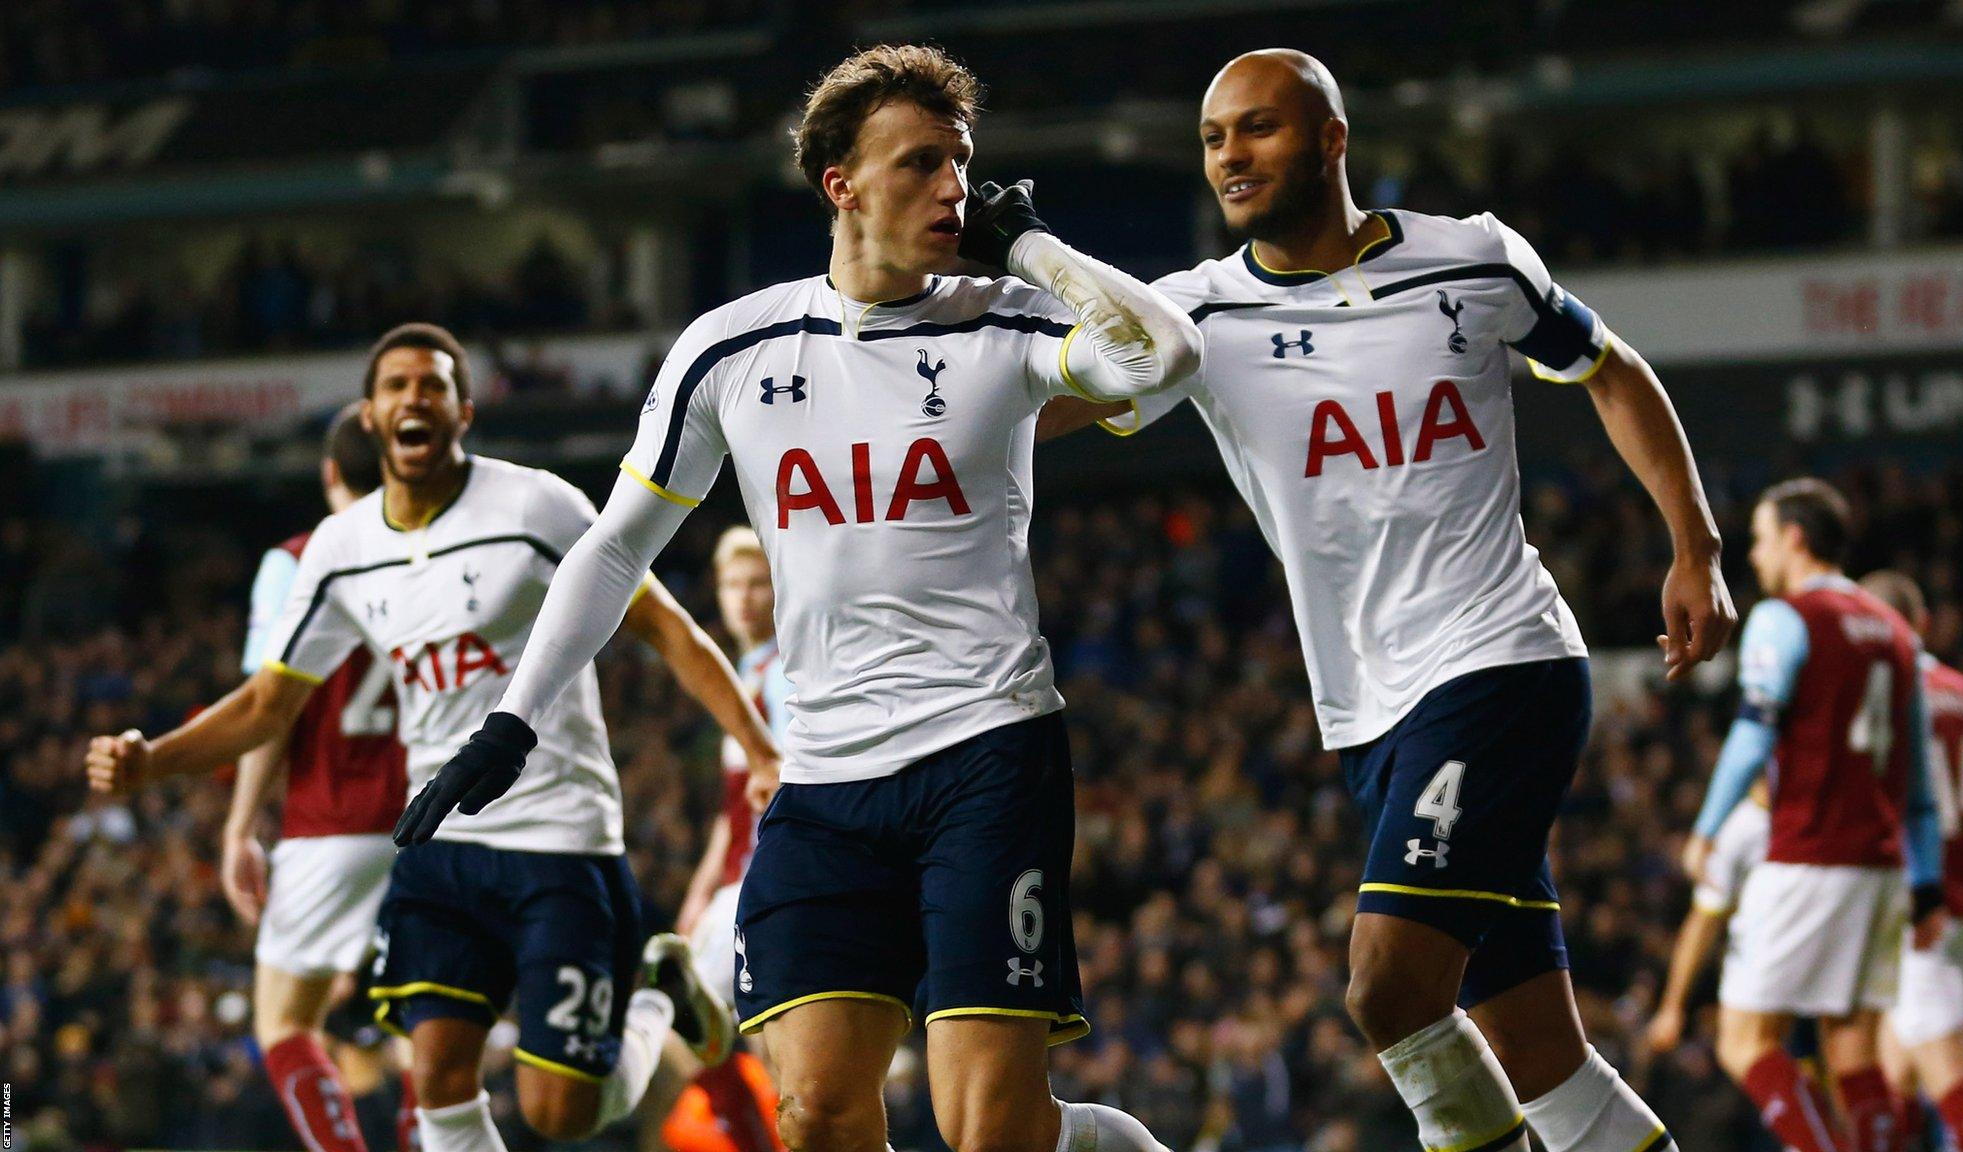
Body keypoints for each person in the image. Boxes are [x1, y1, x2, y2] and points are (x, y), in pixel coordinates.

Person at [389, 43, 1200, 1152]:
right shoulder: (730, 348)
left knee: (987, 1129)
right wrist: (512, 717)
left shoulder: (1004, 320)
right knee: (813, 1112)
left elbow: (1165, 357)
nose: (951, 188)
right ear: (841, 185)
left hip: (985, 754)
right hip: (821, 781)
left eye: (959, 162)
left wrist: (1038, 246)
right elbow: (618, 547)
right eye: (918, 163)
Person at [1041, 48, 1733, 1152]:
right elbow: (1029, 420)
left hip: (1500, 661)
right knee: (1542, 1057)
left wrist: (1691, 546)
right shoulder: (1193, 318)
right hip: (1367, 711)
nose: (1230, 157)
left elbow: (1608, 367)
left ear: (1329, 139)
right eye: (1214, 138)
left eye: (1257, 129)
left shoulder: (1470, 259)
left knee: (1387, 990)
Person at [86, 322, 782, 1152]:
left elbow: (663, 627)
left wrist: (761, 746)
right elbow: (267, 705)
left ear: (464, 413)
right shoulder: (340, 551)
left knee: (560, 1113)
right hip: (439, 841)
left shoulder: (536, 505)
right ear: (372, 417)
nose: (415, 397)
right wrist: (151, 761)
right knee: (441, 1082)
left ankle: (660, 1001)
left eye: (434, 385)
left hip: (561, 837)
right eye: (397, 386)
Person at [1685, 480, 1944, 1152]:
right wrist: (1928, 884)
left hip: (1808, 856)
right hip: (1883, 868)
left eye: (1763, 538)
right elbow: (1918, 782)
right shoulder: (1895, 631)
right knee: (1853, 1047)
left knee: (1744, 1041)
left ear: (1795, 537)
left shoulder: (1786, 617)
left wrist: (1708, 827)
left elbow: (1752, 734)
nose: (1758, 554)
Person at [221, 401, 415, 1152]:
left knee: (283, 1024)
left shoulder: (296, 561)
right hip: (429, 819)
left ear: (328, 471)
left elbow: (270, 708)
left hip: (330, 821)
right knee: (420, 1022)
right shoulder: (437, 548)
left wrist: (241, 823)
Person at [1861, 570, 1963, 1152]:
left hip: (1918, 907)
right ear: (1922, 624)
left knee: (1949, 1071)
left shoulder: (1889, 693)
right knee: (1893, 1072)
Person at [668, 526, 790, 1152]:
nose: (743, 598)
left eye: (757, 583)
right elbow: (730, 812)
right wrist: (699, 894)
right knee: (691, 1025)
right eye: (732, 584)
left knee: (772, 1045)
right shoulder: (744, 671)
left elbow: (791, 782)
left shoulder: (789, 671)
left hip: (772, 882)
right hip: (735, 883)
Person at [1644, 783, 1769, 1058]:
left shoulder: (1744, 826)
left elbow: (1701, 926)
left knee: (1739, 1045)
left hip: (1772, 961)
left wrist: (1672, 1007)